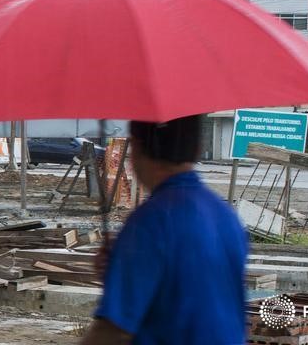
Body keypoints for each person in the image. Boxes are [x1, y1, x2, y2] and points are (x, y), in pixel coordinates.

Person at [81, 115, 248, 344]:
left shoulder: (149, 221)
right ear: (198, 149)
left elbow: (114, 331)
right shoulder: (226, 216)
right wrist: (120, 273)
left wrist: (122, 281)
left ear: (136, 147)